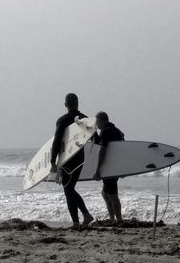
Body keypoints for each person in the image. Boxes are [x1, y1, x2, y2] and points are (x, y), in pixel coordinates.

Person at [50, 93, 94, 227]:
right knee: (69, 188)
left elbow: (57, 141)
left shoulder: (62, 120)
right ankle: (83, 218)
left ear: (65, 104)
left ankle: (80, 219)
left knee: (68, 189)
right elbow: (93, 137)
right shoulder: (85, 119)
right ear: (78, 103)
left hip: (67, 159)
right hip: (80, 158)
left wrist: (53, 161)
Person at [90, 111, 125, 223]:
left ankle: (118, 219)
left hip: (108, 168)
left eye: (97, 122)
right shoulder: (118, 131)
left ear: (102, 120)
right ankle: (113, 219)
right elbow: (123, 148)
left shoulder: (105, 132)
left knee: (112, 195)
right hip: (116, 167)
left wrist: (97, 170)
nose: (97, 124)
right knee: (105, 194)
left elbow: (102, 151)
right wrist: (123, 168)